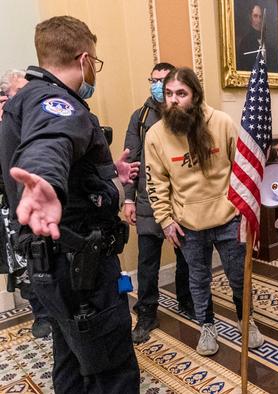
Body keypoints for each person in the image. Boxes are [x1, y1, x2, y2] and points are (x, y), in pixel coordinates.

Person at [0, 16, 140, 392]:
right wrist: (44, 179)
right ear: (85, 60)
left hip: (56, 263)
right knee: (110, 368)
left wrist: (111, 174)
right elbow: (51, 140)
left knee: (72, 355)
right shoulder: (57, 102)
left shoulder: (26, 97)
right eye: (95, 61)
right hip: (81, 268)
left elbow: (70, 161)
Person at [144, 67, 264, 356]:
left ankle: (246, 320)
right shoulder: (155, 135)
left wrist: (246, 214)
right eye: (169, 94)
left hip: (228, 218)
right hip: (188, 224)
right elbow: (155, 183)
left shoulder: (221, 123)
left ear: (195, 96)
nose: (173, 100)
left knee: (238, 276)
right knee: (198, 279)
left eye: (181, 94)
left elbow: (243, 170)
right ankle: (207, 326)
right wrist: (165, 220)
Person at [124, 62, 199, 344]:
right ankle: (147, 313)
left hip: (182, 199)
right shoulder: (140, 117)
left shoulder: (187, 116)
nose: (157, 86)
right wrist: (128, 199)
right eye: (152, 80)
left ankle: (187, 302)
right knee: (147, 261)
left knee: (186, 256)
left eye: (162, 81)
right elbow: (130, 161)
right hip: (147, 199)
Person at [0, 69, 52, 339]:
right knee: (23, 268)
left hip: (39, 207)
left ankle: (51, 313)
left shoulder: (37, 122)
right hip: (10, 210)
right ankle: (40, 314)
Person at [237, 3, 278, 73]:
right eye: (255, 16)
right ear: (250, 17)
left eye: (260, 17)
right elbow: (244, 67)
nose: (259, 20)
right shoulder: (245, 42)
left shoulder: (268, 40)